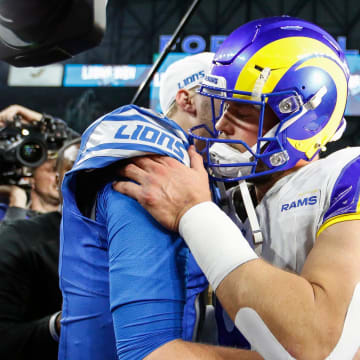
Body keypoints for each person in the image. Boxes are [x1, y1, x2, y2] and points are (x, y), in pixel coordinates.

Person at [114, 16, 360, 360]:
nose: (222, 124)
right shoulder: (233, 194)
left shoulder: (348, 174)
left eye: (245, 111)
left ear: (302, 121)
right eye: (224, 105)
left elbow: (319, 346)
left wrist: (193, 213)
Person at [59, 52, 263, 360]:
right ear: (186, 99)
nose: (234, 112)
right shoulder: (151, 165)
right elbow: (146, 350)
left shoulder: (198, 173)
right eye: (225, 97)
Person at [0, 138, 81, 360]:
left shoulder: (142, 241)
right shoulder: (19, 240)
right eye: (78, 168)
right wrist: (59, 324)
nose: (90, 179)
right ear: (58, 181)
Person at [0, 105, 76, 222]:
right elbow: (9, 240)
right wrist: (16, 199)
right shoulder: (6, 213)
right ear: (30, 177)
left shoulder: (78, 218)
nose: (61, 176)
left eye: (66, 170)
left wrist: (41, 120)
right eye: (53, 170)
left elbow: (85, 147)